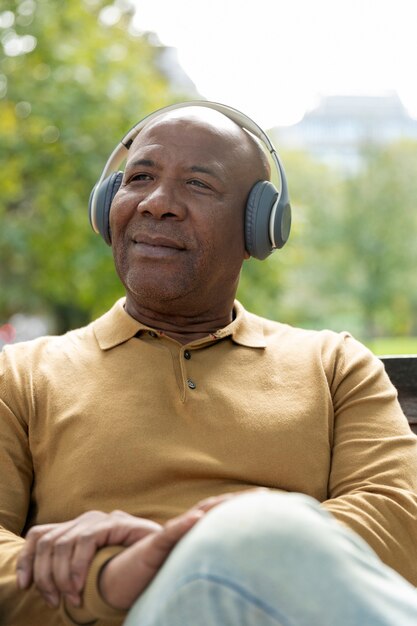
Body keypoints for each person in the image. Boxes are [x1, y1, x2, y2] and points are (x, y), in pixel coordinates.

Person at [1, 101, 417, 626]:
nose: (157, 203)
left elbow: (398, 524)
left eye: (198, 185)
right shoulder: (19, 377)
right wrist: (111, 576)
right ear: (107, 205)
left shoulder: (336, 365)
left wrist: (203, 546)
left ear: (258, 228)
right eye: (140, 177)